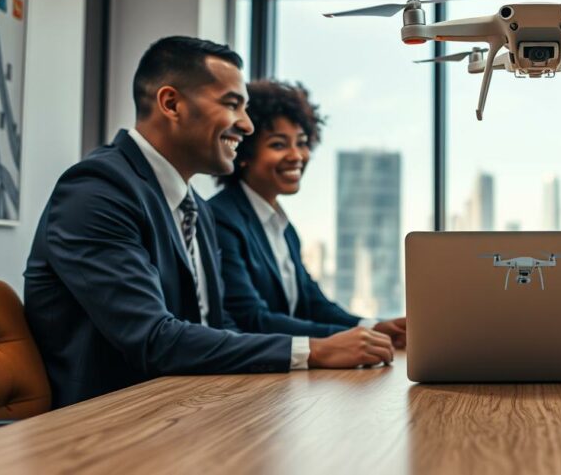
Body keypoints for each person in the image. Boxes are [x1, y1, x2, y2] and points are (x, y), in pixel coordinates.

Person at [24, 36, 394, 408]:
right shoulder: (97, 191)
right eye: (232, 105)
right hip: (107, 422)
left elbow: (219, 328)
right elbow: (154, 339)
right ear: (171, 104)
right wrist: (313, 350)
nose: (247, 126)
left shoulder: (195, 208)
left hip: (188, 406)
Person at [210, 79, 406, 347]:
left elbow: (313, 304)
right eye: (278, 145)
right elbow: (252, 320)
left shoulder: (284, 228)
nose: (297, 155)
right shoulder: (221, 218)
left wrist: (373, 327)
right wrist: (340, 339)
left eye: (302, 143)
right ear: (244, 153)